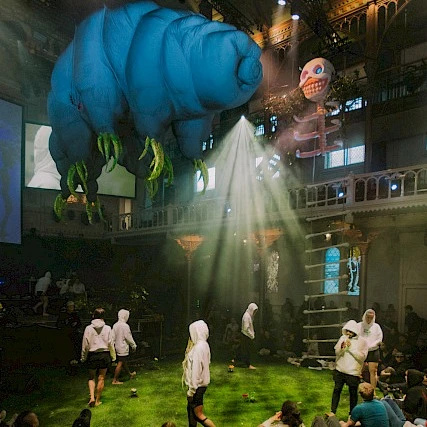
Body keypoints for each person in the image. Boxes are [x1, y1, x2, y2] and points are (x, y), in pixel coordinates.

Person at [182, 320, 216, 427]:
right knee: (192, 413)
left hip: (197, 386)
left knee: (198, 415)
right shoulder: (205, 345)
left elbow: (196, 370)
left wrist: (191, 391)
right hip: (201, 385)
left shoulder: (198, 348)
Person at [331, 320, 368, 415]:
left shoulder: (362, 341)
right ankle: (333, 411)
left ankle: (352, 414)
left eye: (350, 331)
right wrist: (342, 348)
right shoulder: (342, 338)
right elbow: (337, 352)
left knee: (353, 393)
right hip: (340, 370)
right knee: (336, 390)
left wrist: (350, 348)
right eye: (347, 331)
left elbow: (362, 357)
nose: (348, 333)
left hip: (352, 372)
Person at [81, 307, 116, 407]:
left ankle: (92, 397)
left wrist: (83, 357)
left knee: (91, 377)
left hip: (92, 355)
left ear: (93, 315)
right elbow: (110, 343)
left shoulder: (88, 328)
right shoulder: (108, 328)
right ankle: (97, 400)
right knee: (101, 378)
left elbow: (85, 344)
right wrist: (113, 356)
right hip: (104, 354)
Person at [358, 309, 383, 390]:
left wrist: (371, 346)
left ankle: (373, 390)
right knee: (358, 371)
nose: (369, 319)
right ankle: (357, 389)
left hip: (373, 351)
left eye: (371, 318)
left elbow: (379, 339)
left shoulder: (376, 327)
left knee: (373, 371)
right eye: (367, 317)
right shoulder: (359, 326)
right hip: (361, 350)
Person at [112, 309, 137, 384]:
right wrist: (133, 345)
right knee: (120, 362)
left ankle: (130, 374)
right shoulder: (125, 326)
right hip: (123, 346)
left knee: (123, 361)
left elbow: (112, 337)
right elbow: (128, 337)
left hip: (117, 346)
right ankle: (115, 380)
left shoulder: (115, 325)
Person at [236, 302, 258, 369]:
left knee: (244, 350)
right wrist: (251, 335)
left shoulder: (248, 316)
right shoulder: (246, 316)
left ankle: (239, 361)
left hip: (246, 335)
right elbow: (246, 328)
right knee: (246, 351)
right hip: (246, 336)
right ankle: (248, 364)